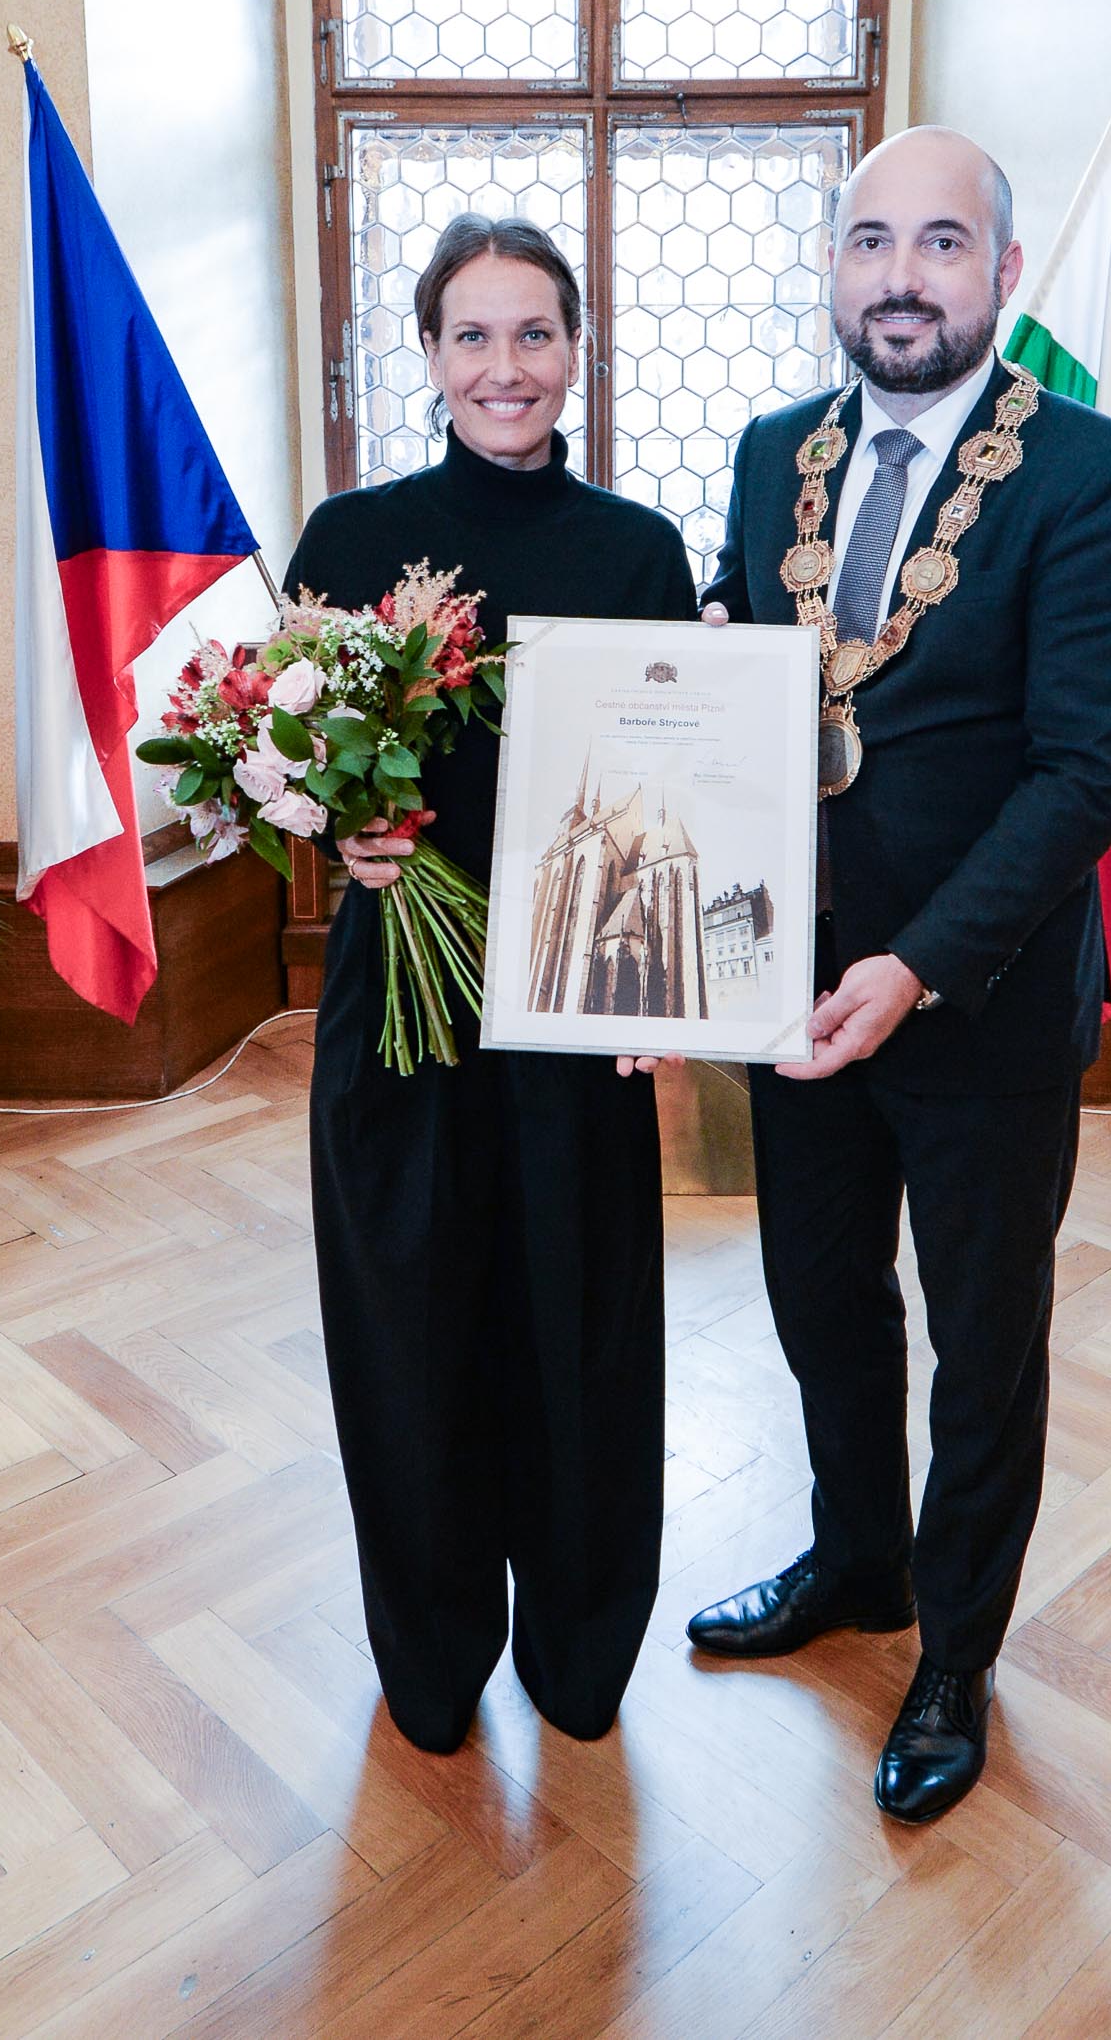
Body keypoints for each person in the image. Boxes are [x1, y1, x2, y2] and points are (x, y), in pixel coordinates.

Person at [678, 127, 1111, 1822]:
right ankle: (856, 1567)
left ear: (1003, 275)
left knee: (984, 1338)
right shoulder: (765, 452)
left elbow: (1087, 770)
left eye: (942, 243)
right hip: (780, 987)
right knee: (821, 1307)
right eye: (871, 240)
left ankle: (953, 1648)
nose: (901, 277)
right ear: (835, 267)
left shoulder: (1099, 478)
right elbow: (730, 688)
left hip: (986, 998)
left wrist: (919, 964)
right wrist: (658, 960)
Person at [283, 214, 697, 1754]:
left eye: (535, 334)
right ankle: (434, 1652)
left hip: (584, 1009)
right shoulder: (346, 537)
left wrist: (665, 1000)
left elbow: (681, 799)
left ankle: (582, 1647)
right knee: (409, 1321)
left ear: (576, 352)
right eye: (474, 335)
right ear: (430, 353)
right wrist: (345, 838)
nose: (505, 367)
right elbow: (294, 776)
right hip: (399, 996)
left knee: (579, 1325)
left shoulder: (639, 550)